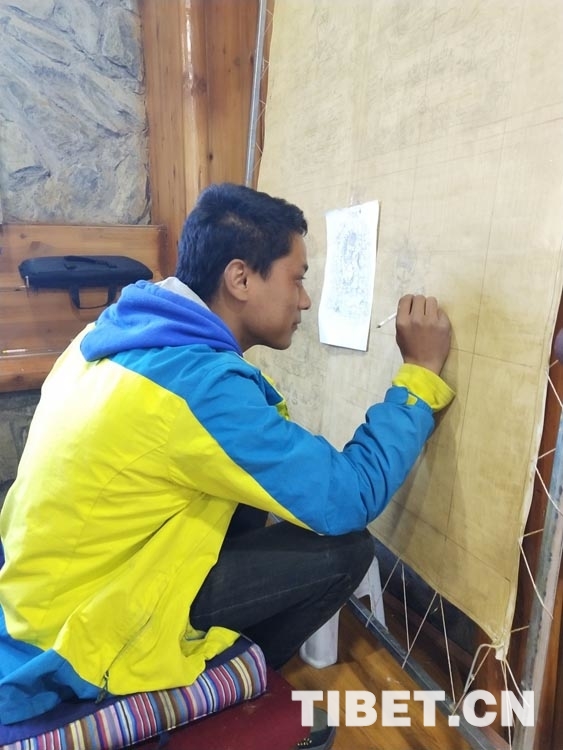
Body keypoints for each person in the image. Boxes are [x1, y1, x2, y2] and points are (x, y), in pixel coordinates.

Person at [0, 183, 454, 749]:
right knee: (344, 548)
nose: (305, 300)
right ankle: (224, 681)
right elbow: (350, 495)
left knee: (248, 500)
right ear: (240, 279)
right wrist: (419, 376)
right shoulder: (199, 384)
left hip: (34, 595)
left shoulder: (119, 330)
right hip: (77, 634)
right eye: (297, 279)